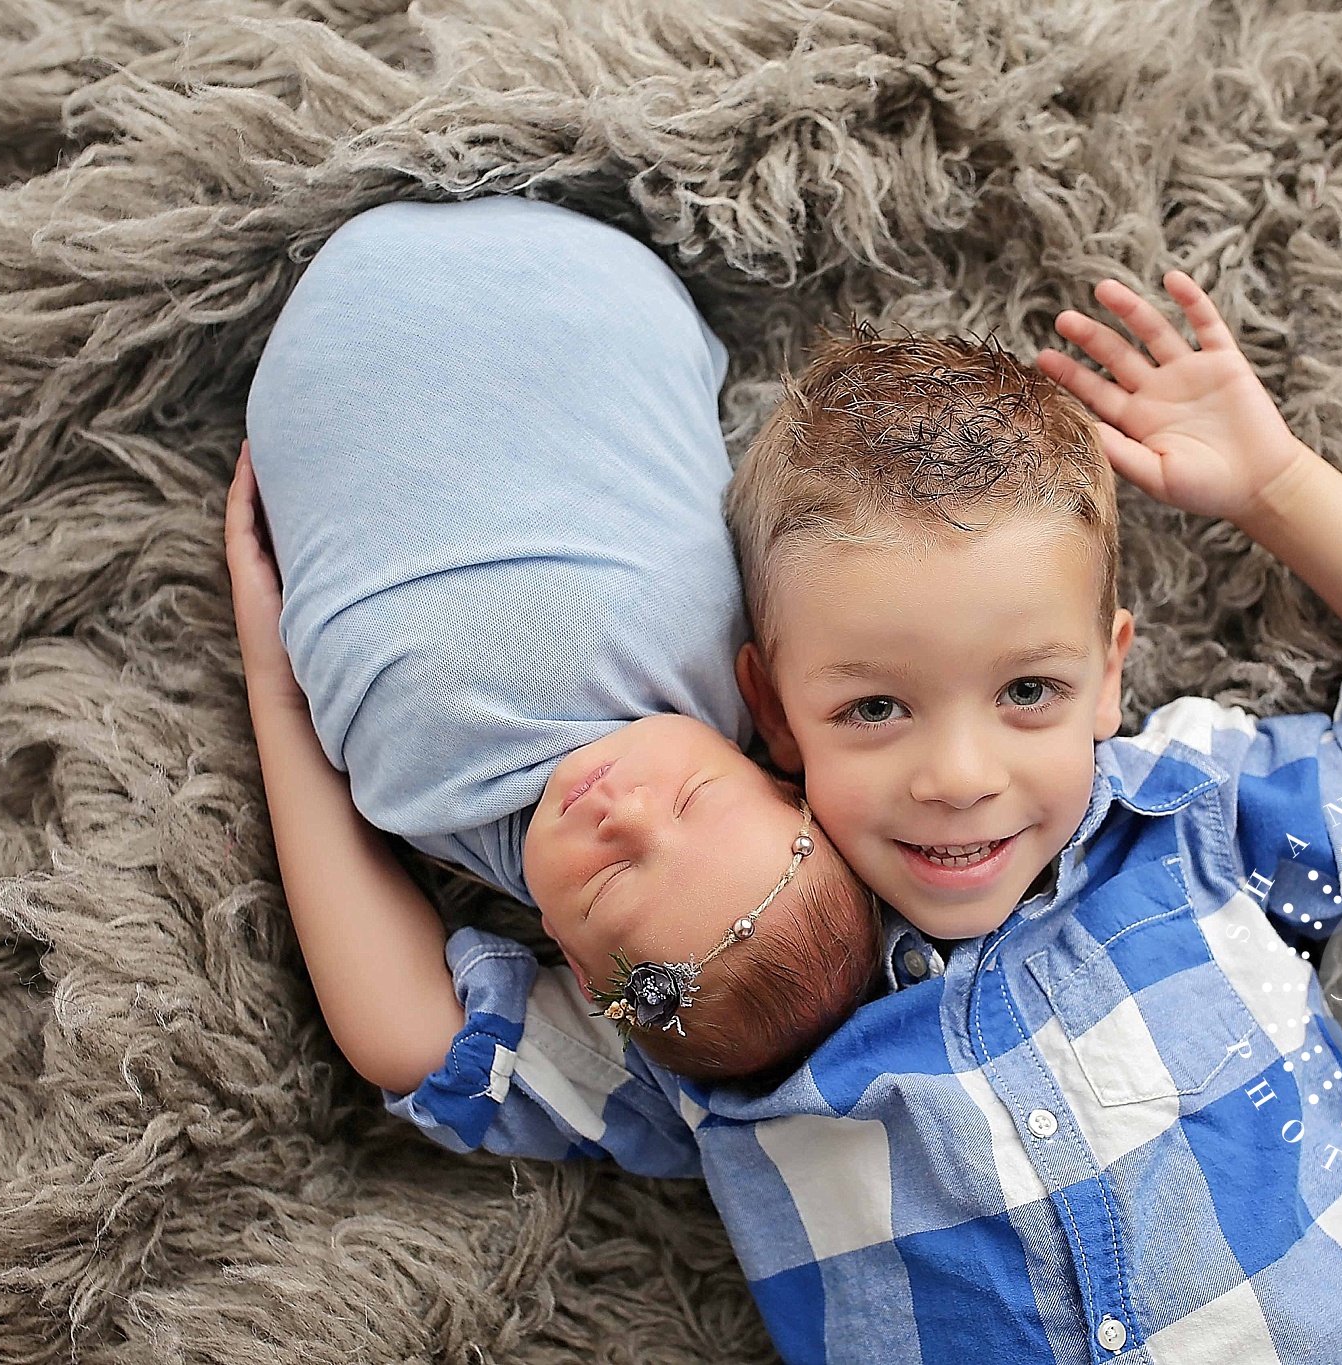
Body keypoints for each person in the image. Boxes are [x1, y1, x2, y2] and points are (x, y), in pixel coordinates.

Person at [357, 268, 1342, 1363]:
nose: (956, 775)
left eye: (1028, 693)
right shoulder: (723, 978)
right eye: (874, 706)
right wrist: (281, 692)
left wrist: (1275, 485)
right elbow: (419, 1040)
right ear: (773, 716)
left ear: (1109, 677)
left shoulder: (1192, 824)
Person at [230, 194, 876, 1088]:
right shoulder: (733, 671)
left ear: (572, 963)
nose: (627, 813)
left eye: (614, 879)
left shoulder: (434, 805)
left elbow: (403, 1042)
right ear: (776, 759)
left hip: (347, 322)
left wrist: (274, 679)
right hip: (579, 289)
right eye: (693, 797)